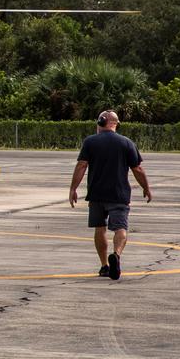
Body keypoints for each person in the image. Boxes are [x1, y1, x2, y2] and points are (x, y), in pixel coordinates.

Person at [69, 110, 153, 279]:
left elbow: (81, 165)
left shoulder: (90, 142)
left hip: (96, 194)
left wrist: (73, 188)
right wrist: (146, 187)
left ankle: (104, 266)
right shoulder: (126, 142)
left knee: (100, 228)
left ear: (101, 122)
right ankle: (116, 254)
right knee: (120, 228)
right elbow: (137, 169)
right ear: (116, 124)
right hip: (119, 194)